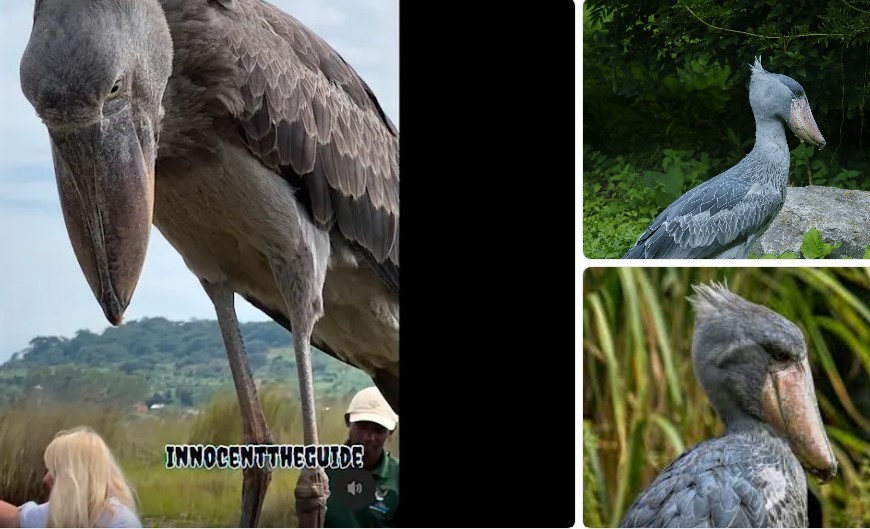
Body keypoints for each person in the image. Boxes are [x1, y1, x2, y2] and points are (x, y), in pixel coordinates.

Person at [0, 426, 142, 528]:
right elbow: (15, 520)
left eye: (54, 470)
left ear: (73, 475)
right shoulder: (65, 512)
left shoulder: (120, 522)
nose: (46, 479)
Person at [324, 386, 399, 527]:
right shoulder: (323, 468)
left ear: (391, 432)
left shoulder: (396, 477)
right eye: (362, 426)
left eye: (378, 430)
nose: (369, 437)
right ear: (348, 421)